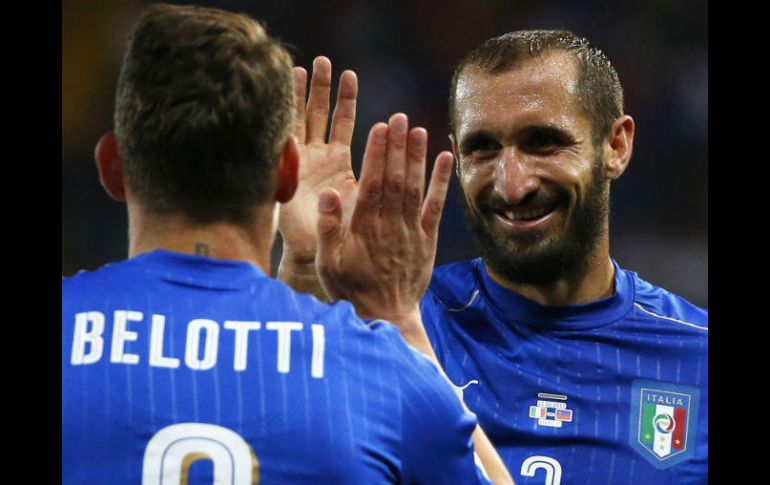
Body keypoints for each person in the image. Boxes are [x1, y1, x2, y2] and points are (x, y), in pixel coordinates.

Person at [61, 4, 513, 484]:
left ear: (111, 168)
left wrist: (303, 270)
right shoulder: (378, 368)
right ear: (286, 174)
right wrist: (395, 317)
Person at [278, 30, 707, 484]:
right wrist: (307, 265)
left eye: (543, 142)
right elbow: (289, 435)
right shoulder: (396, 317)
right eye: (482, 148)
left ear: (615, 146)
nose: (512, 184)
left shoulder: (696, 356)